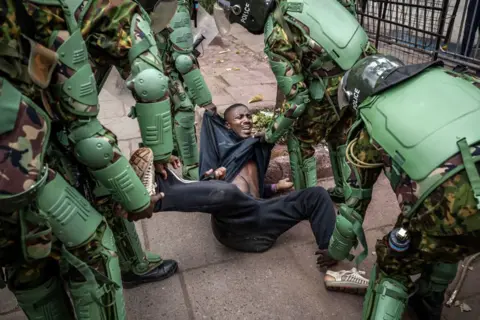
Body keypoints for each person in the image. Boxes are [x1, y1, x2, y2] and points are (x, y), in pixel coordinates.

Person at [0, 0, 178, 318]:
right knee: (92, 248)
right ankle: (132, 263)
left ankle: (134, 262)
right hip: (21, 146)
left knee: (26, 262)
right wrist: (142, 191)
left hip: (26, 131)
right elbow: (89, 133)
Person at [141, 103, 368, 289]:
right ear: (228, 126)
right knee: (227, 191)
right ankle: (161, 194)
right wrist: (213, 178)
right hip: (232, 226)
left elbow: (254, 185)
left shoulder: (256, 147)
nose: (247, 120)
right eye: (240, 117)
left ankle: (332, 260)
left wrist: (274, 188)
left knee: (317, 195)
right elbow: (210, 185)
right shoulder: (223, 149)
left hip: (261, 220)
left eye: (249, 116)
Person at [326, 54, 480, 319]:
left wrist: (335, 251)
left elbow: (354, 206)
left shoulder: (374, 120)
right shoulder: (440, 83)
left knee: (393, 259)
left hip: (450, 207)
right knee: (449, 243)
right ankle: (428, 302)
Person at [211, 0, 377, 204]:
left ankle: (309, 203)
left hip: (330, 87)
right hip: (362, 73)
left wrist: (271, 133)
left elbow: (298, 98)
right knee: (340, 133)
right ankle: (347, 192)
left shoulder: (276, 33)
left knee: (299, 139)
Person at [132, 0, 217, 181]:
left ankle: (159, 161)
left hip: (150, 69)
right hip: (166, 73)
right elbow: (184, 60)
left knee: (162, 115)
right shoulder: (176, 7)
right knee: (184, 110)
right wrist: (206, 100)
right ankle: (191, 166)